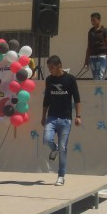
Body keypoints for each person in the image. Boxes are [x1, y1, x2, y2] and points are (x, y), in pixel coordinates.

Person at [42, 55, 82, 187]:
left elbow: (77, 98)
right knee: (47, 139)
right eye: (49, 68)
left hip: (65, 118)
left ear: (59, 66)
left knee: (63, 148)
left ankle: (61, 176)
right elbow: (46, 99)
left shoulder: (70, 79)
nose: (50, 70)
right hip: (52, 117)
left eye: (52, 68)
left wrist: (78, 116)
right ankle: (54, 148)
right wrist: (43, 116)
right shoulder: (49, 79)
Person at [84, 12, 107, 80]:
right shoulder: (91, 31)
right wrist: (86, 60)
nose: (92, 22)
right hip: (92, 57)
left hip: (102, 57)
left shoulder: (105, 30)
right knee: (95, 77)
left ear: (99, 20)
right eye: (91, 20)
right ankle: (96, 87)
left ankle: (101, 87)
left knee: (100, 76)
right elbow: (89, 46)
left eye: (94, 20)